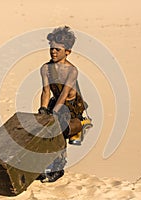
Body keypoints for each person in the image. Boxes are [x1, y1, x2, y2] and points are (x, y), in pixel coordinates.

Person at [38, 26, 91, 183]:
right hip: (56, 103)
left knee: (58, 128)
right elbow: (46, 92)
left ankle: (58, 166)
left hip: (71, 106)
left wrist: (54, 113)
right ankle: (40, 164)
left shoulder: (72, 71)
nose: (53, 52)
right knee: (40, 126)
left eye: (58, 50)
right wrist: (43, 110)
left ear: (67, 51)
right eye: (51, 49)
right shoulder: (45, 68)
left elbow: (64, 94)